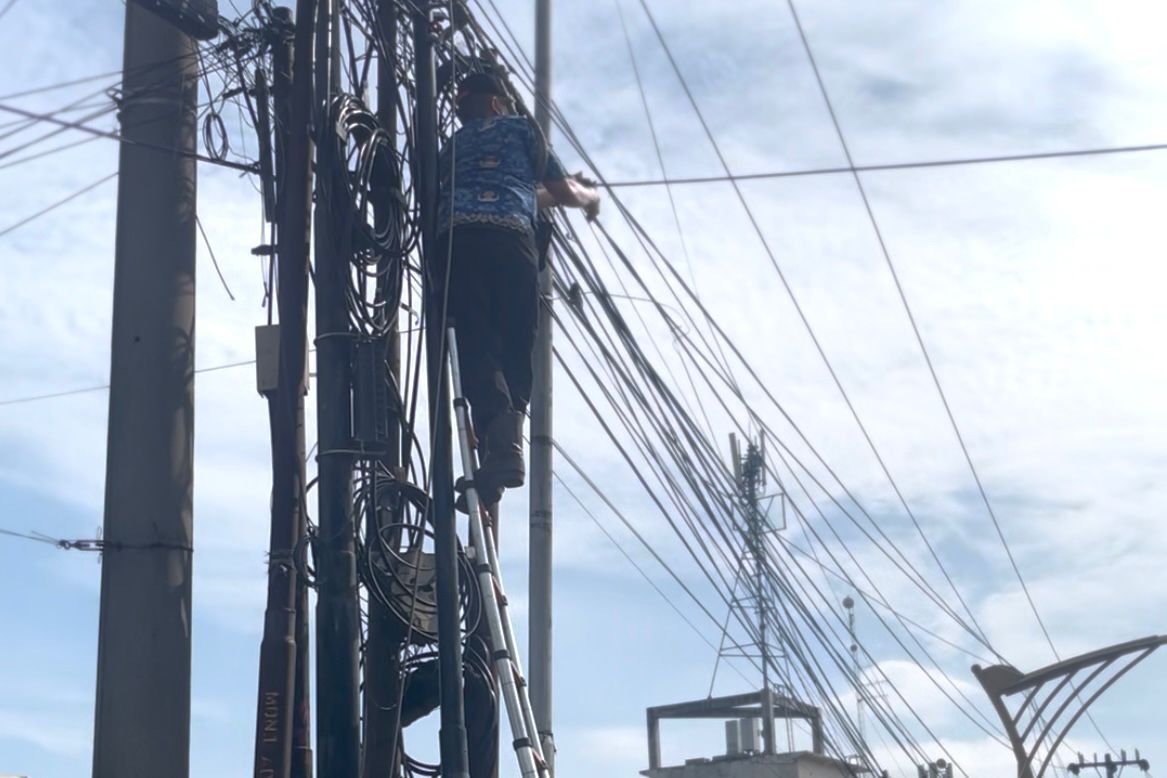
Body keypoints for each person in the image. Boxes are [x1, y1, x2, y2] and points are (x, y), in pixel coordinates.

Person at [437, 72, 600, 510]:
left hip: (459, 242)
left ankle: (499, 453)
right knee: (515, 344)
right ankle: (506, 447)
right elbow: (560, 192)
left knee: (477, 345)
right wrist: (588, 197)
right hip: (512, 243)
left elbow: (520, 191)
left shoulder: (453, 147)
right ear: (497, 104)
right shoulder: (521, 130)